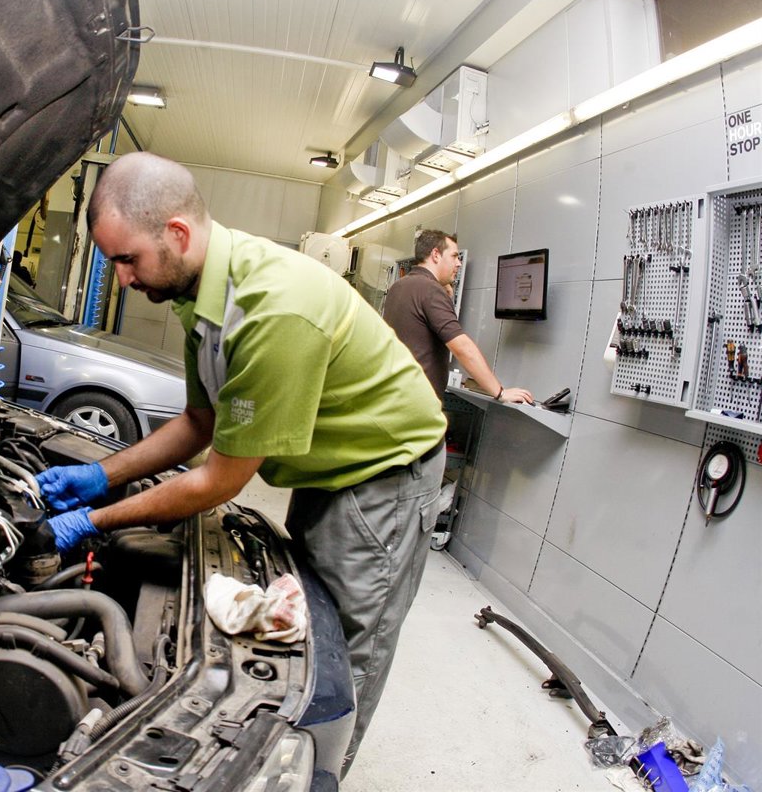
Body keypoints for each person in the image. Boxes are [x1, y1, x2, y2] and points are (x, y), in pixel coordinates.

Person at [33, 151, 448, 773]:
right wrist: (102, 474)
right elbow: (199, 424)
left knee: (339, 654)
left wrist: (94, 520)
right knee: (307, 617)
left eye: (127, 259)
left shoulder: (271, 308)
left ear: (177, 233)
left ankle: (317, 773)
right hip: (325, 467)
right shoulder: (201, 294)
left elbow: (220, 480)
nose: (121, 279)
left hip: (382, 475)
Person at [383, 229, 533, 403]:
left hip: (393, 396)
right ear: (436, 255)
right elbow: (462, 347)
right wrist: (500, 392)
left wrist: (446, 296)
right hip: (415, 403)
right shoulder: (430, 290)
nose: (459, 263)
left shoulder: (398, 287)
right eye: (454, 256)